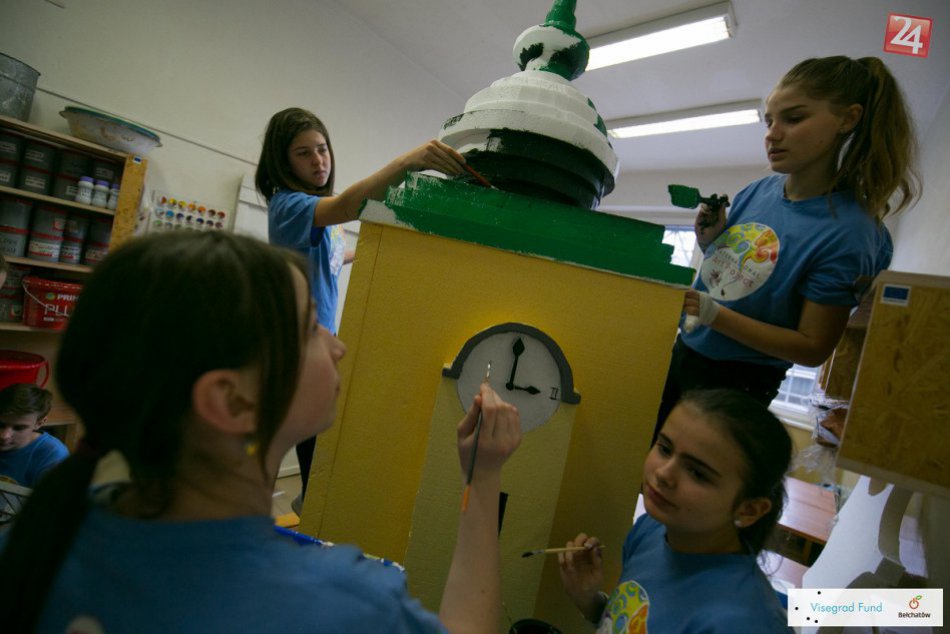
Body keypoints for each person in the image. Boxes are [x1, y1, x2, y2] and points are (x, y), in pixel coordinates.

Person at [0, 231, 521, 633]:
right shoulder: (341, 605)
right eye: (309, 326)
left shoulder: (40, 540)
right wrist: (484, 477)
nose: (335, 346)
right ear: (232, 400)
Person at [656, 55, 920, 432]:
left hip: (738, 381)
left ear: (848, 119)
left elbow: (812, 347)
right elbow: (744, 278)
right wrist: (712, 242)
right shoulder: (759, 190)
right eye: (769, 121)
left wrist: (717, 315)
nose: (772, 133)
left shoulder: (850, 232)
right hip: (686, 350)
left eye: (793, 119)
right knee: (644, 464)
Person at [255, 107, 468, 507]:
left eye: (322, 149)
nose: (318, 161)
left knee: (313, 442)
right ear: (281, 161)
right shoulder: (290, 206)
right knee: (304, 443)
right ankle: (296, 511)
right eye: (303, 153)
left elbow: (335, 256)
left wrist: (389, 245)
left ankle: (307, 505)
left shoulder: (318, 215)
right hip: (294, 348)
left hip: (316, 344)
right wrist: (408, 162)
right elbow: (349, 204)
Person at [559, 389, 793, 632]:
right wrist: (591, 602)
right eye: (665, 448)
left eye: (697, 473)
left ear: (749, 510)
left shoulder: (741, 623)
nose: (663, 473)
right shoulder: (650, 529)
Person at [0, 383, 67, 487]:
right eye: (1, 425)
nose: (4, 436)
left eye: (19, 428)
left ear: (39, 423)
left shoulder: (53, 456)